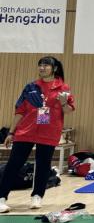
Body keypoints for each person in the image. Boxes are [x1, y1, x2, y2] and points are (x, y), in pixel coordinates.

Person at [0, 57, 75, 213]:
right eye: (40, 65)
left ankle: (37, 196)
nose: (42, 68)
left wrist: (63, 102)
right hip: (26, 131)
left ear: (54, 68)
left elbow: (68, 110)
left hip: (49, 133)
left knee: (43, 165)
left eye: (46, 65)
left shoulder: (63, 87)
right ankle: (1, 198)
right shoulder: (31, 87)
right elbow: (20, 111)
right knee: (13, 164)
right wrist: (11, 132)